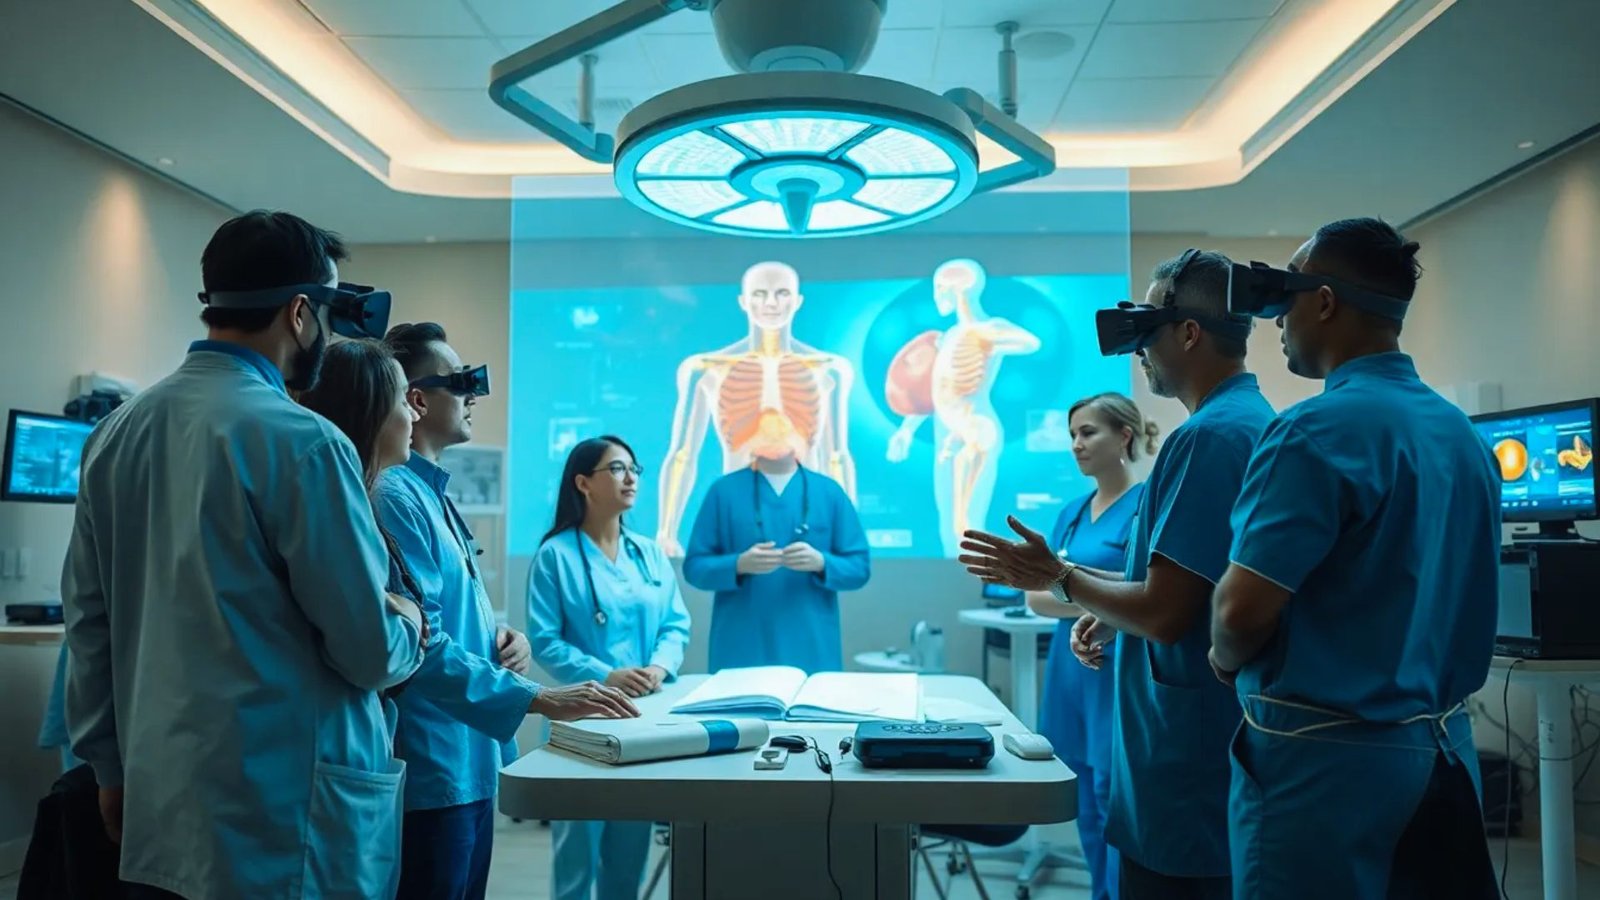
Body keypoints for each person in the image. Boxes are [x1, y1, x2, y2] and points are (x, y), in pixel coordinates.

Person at [60, 210, 428, 899]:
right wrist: (407, 620)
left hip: (163, 796)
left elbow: (89, 624)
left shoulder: (116, 432)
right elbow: (368, 651)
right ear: (299, 313)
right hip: (285, 814)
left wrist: (106, 767)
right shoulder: (304, 441)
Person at [959, 249, 1273, 900]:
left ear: (1188, 333)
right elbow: (1194, 589)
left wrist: (1063, 578)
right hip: (1175, 725)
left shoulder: (1208, 438)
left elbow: (1167, 611)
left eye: (1147, 333)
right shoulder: (1240, 425)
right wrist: (1105, 609)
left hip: (1183, 751)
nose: (1139, 352)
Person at [1210, 219, 1501, 899]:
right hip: (1443, 757)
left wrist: (1223, 658)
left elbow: (1241, 609)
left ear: (1325, 302)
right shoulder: (1462, 436)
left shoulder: (1313, 430)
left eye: (1285, 296)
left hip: (1325, 766)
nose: (1276, 318)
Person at [528, 436, 693, 900]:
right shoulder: (556, 555)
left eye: (634, 468)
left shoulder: (649, 552)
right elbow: (545, 641)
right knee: (576, 857)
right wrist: (606, 676)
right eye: (617, 469)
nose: (631, 478)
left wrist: (660, 667)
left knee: (629, 853)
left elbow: (676, 624)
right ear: (583, 483)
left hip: (644, 720)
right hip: (580, 725)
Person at [1025, 392, 1158, 900]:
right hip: (1068, 670)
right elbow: (1036, 599)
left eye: (1089, 432)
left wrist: (1079, 593)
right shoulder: (1071, 513)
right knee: (1080, 790)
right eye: (1073, 435)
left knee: (1112, 794)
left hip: (1116, 668)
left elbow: (1147, 594)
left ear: (1123, 435)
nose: (1077, 444)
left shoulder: (1146, 506)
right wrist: (1099, 597)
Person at [656, 261, 857, 555]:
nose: (771, 303)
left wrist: (849, 535)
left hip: (807, 521)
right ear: (743, 301)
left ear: (798, 301)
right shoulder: (706, 369)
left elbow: (836, 457)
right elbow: (683, 455)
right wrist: (666, 532)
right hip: (738, 519)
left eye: (782, 293)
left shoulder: (829, 371)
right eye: (760, 294)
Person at [884, 258, 1042, 555]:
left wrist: (986, 336)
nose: (936, 296)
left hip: (976, 429)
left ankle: (979, 579)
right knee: (950, 523)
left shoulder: (987, 329)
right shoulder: (947, 338)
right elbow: (936, 390)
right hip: (951, 434)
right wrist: (906, 429)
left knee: (966, 523)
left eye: (940, 288)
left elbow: (1030, 342)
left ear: (958, 288)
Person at [682, 448, 870, 673]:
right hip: (741, 648)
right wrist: (738, 564)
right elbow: (695, 567)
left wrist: (821, 563)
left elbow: (859, 567)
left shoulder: (829, 492)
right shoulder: (723, 492)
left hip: (811, 647)